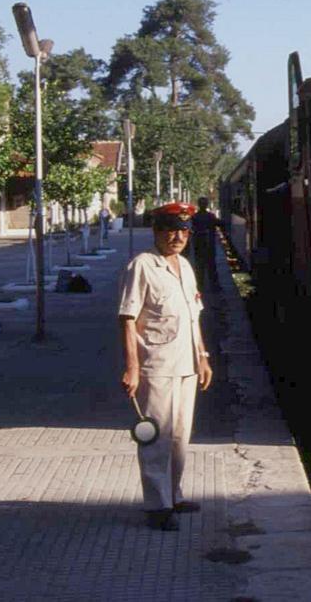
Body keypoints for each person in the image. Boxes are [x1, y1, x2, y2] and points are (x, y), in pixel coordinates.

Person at [118, 202, 213, 531]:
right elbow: (128, 319)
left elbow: (193, 316)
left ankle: (173, 493)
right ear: (156, 232)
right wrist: (132, 366)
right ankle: (157, 506)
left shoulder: (185, 267)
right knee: (155, 436)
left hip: (186, 363)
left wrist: (202, 357)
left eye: (184, 230)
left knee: (180, 435)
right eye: (170, 229)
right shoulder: (142, 266)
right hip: (155, 364)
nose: (178, 236)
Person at [191, 196, 222, 292]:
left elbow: (192, 229)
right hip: (209, 244)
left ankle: (199, 286)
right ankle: (214, 286)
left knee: (200, 266)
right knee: (211, 266)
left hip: (199, 244)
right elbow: (220, 223)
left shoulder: (195, 217)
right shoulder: (211, 216)